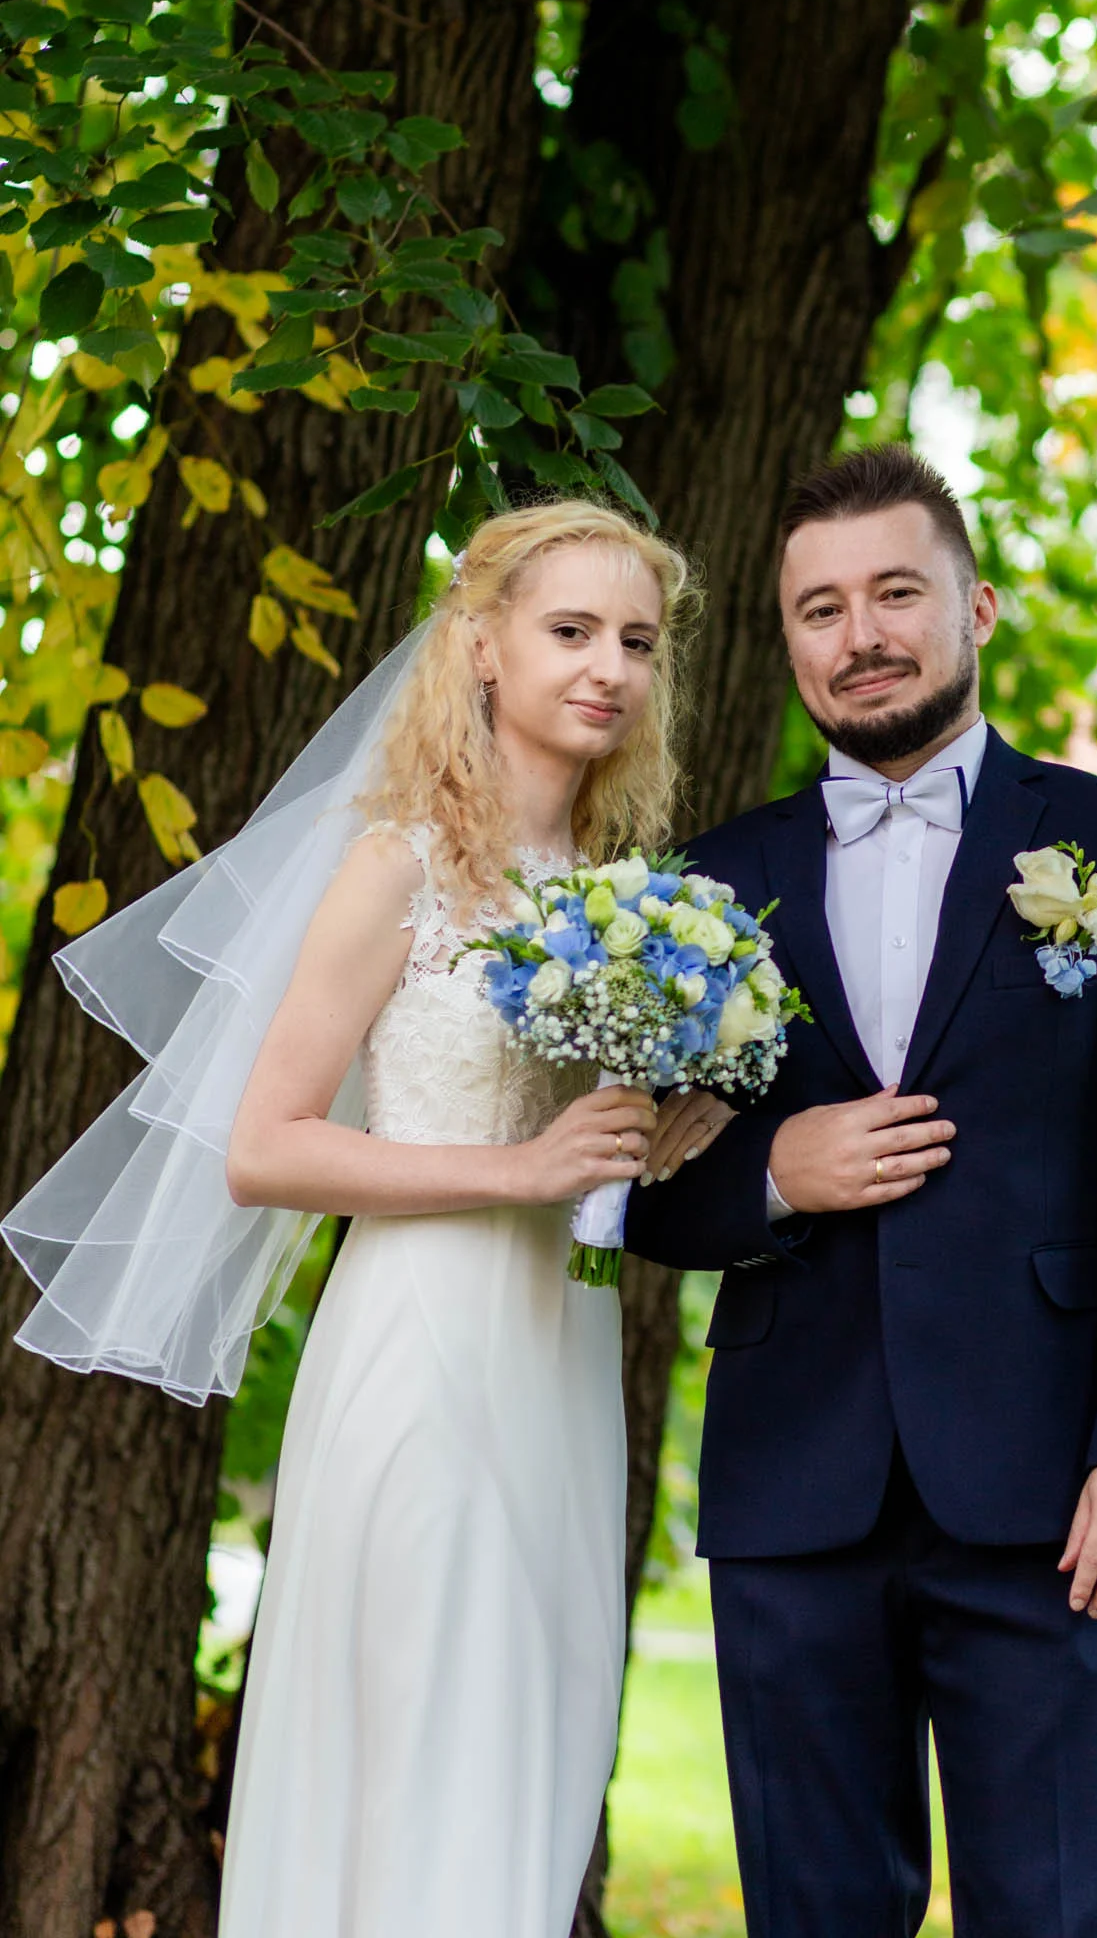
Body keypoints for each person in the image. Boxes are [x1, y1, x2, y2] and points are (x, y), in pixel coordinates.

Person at [3, 499, 731, 1938]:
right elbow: (263, 1148)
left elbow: (573, 1148)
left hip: (561, 1359)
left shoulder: (618, 902)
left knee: (537, 1728)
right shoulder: (399, 864)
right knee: (418, 1727)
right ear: (482, 646)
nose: (611, 668)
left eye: (638, 642)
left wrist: (656, 1135)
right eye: (572, 630)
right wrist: (523, 1172)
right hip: (421, 1343)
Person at [626, 445, 1097, 1938]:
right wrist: (775, 1174)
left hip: (1052, 1496)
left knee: (1058, 1907)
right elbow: (636, 1195)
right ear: (791, 641)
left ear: (976, 607)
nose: (862, 635)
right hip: (793, 1490)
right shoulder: (705, 884)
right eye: (821, 608)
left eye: (896, 593)